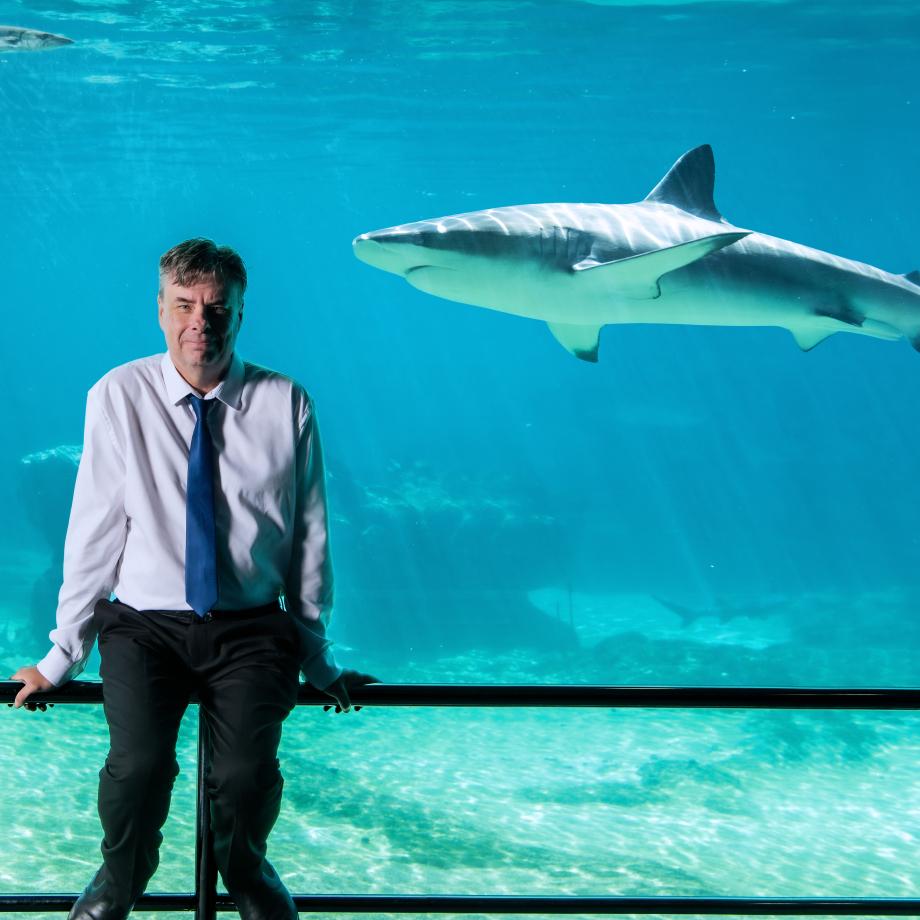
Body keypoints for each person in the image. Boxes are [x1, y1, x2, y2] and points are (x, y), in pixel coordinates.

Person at [10, 238, 376, 920]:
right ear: (160, 309)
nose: (199, 324)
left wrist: (317, 654)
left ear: (240, 313)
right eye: (183, 306)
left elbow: (311, 538)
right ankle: (122, 875)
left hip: (251, 628)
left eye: (216, 309)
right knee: (138, 767)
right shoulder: (117, 395)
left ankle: (245, 870)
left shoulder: (286, 402)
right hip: (143, 626)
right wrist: (61, 654)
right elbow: (93, 532)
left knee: (244, 776)